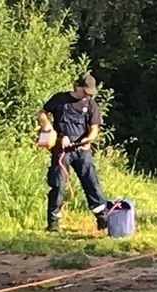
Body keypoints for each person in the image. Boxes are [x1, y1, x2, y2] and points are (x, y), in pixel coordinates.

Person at [37, 72, 108, 233]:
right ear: (77, 86)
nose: (87, 95)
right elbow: (42, 112)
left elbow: (95, 129)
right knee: (58, 185)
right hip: (61, 151)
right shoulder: (59, 99)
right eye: (85, 91)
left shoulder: (91, 105)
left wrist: (88, 140)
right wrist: (46, 126)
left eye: (90, 93)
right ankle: (53, 223)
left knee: (91, 183)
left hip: (82, 151)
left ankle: (103, 219)